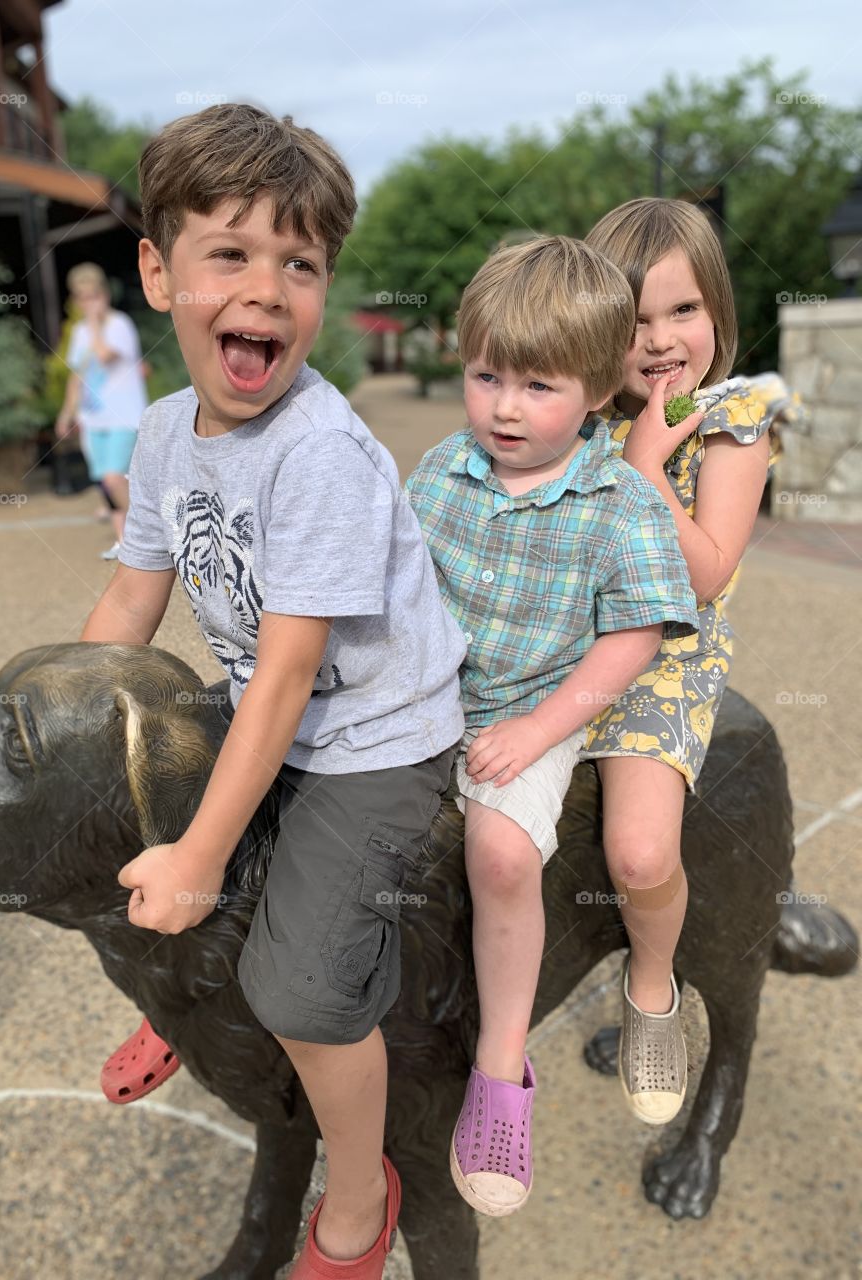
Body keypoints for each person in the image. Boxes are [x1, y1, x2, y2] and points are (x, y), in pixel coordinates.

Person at [79, 102, 465, 1278]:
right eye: (230, 253)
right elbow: (130, 613)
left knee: (300, 984)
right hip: (270, 706)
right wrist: (69, 724)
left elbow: (294, 671)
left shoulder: (321, 452)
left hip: (373, 734)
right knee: (118, 806)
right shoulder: (158, 434)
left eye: (299, 262)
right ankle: (187, 994)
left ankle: (360, 1192)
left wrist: (200, 853)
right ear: (158, 271)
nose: (268, 286)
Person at [404, 236, 700, 1217]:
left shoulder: (618, 504)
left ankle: (498, 1070)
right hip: (424, 701)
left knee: (497, 849)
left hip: (532, 705)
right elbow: (399, 587)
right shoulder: (444, 469)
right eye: (486, 375)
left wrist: (537, 729)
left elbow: (633, 639)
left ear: (596, 390)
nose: (502, 405)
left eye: (536, 384)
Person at [578, 198, 779, 1124]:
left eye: (683, 311)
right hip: (563, 651)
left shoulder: (734, 421)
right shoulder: (577, 418)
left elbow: (702, 576)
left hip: (666, 660)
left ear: (718, 315)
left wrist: (648, 464)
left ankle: (652, 988)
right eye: (634, 321)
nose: (660, 341)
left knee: (639, 845)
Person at [54, 262, 148, 559]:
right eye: (82, 297)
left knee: (113, 478)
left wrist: (95, 324)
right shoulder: (79, 332)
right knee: (104, 484)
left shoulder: (119, 325)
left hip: (124, 416)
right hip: (92, 419)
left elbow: (105, 355)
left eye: (93, 295)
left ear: (104, 295)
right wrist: (67, 413)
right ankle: (124, 542)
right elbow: (77, 375)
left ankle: (148, 534)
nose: (88, 303)